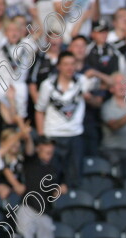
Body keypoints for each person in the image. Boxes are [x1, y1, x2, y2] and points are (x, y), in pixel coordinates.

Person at [34, 51, 93, 189]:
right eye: (66, 64)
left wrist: (91, 97)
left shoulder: (82, 81)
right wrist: (42, 137)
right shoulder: (47, 85)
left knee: (74, 178)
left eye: (73, 64)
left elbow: (105, 88)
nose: (69, 68)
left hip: (75, 135)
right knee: (51, 179)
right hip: (53, 135)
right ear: (59, 66)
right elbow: (39, 111)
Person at [17, 136, 67, 238]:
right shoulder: (31, 161)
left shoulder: (56, 165)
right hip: (28, 207)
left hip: (46, 211)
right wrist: (27, 137)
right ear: (39, 148)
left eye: (51, 146)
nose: (49, 150)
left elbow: (62, 186)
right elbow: (28, 150)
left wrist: (60, 190)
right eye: (46, 146)